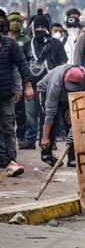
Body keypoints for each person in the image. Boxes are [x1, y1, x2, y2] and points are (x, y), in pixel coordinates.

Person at [20, 14, 68, 150]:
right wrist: (25, 85)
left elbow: (63, 63)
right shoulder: (27, 45)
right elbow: (22, 66)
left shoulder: (56, 44)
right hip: (32, 86)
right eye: (38, 27)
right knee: (30, 116)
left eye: (44, 27)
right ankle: (30, 139)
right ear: (33, 28)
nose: (41, 29)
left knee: (49, 116)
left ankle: (49, 141)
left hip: (51, 88)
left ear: (48, 28)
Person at [37, 65, 85, 167]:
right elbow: (50, 113)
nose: (71, 91)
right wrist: (45, 137)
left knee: (72, 121)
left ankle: (72, 157)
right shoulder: (55, 84)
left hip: (70, 98)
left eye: (74, 89)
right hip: (46, 90)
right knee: (52, 120)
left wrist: (72, 108)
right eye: (69, 88)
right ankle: (46, 153)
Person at [0, 32, 34, 176]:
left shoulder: (10, 44)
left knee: (8, 127)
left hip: (6, 95)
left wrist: (27, 86)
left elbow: (22, 65)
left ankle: (11, 161)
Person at [7, 12, 30, 144]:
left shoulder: (25, 40)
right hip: (6, 78)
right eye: (12, 20)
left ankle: (21, 135)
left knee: (20, 110)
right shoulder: (4, 39)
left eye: (17, 20)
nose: (15, 23)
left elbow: (24, 62)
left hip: (20, 78)